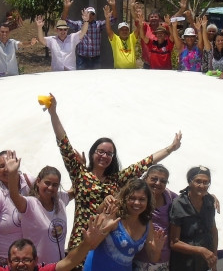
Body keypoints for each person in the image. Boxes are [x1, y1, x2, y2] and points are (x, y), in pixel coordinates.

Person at [44, 92, 182, 250]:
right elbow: (64, 143)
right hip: (81, 241)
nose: (104, 156)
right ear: (92, 153)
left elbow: (145, 163)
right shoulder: (80, 174)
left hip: (109, 244)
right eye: (100, 151)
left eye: (109, 153)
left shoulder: (117, 179)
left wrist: (170, 149)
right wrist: (53, 113)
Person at [5, 161, 70, 267]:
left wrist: (80, 166)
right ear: (38, 181)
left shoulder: (61, 202)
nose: (50, 188)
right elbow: (14, 196)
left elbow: (78, 189)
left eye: (55, 185)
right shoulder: (30, 204)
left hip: (58, 269)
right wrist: (12, 174)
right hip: (37, 269)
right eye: (47, 183)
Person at [61, 0, 109, 70]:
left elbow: (113, 20)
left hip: (95, 58)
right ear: (84, 14)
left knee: (96, 79)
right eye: (88, 13)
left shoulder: (98, 24)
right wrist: (66, 8)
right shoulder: (79, 24)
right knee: (82, 80)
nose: (90, 15)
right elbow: (64, 20)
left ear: (95, 15)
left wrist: (109, 13)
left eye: (92, 14)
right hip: (82, 59)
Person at [105, 2, 139, 69]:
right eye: (122, 30)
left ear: (129, 31)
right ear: (119, 31)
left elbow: (139, 27)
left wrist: (133, 8)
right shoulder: (115, 39)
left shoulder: (132, 38)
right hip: (118, 72)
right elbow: (109, 30)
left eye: (126, 29)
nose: (124, 31)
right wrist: (107, 18)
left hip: (132, 71)